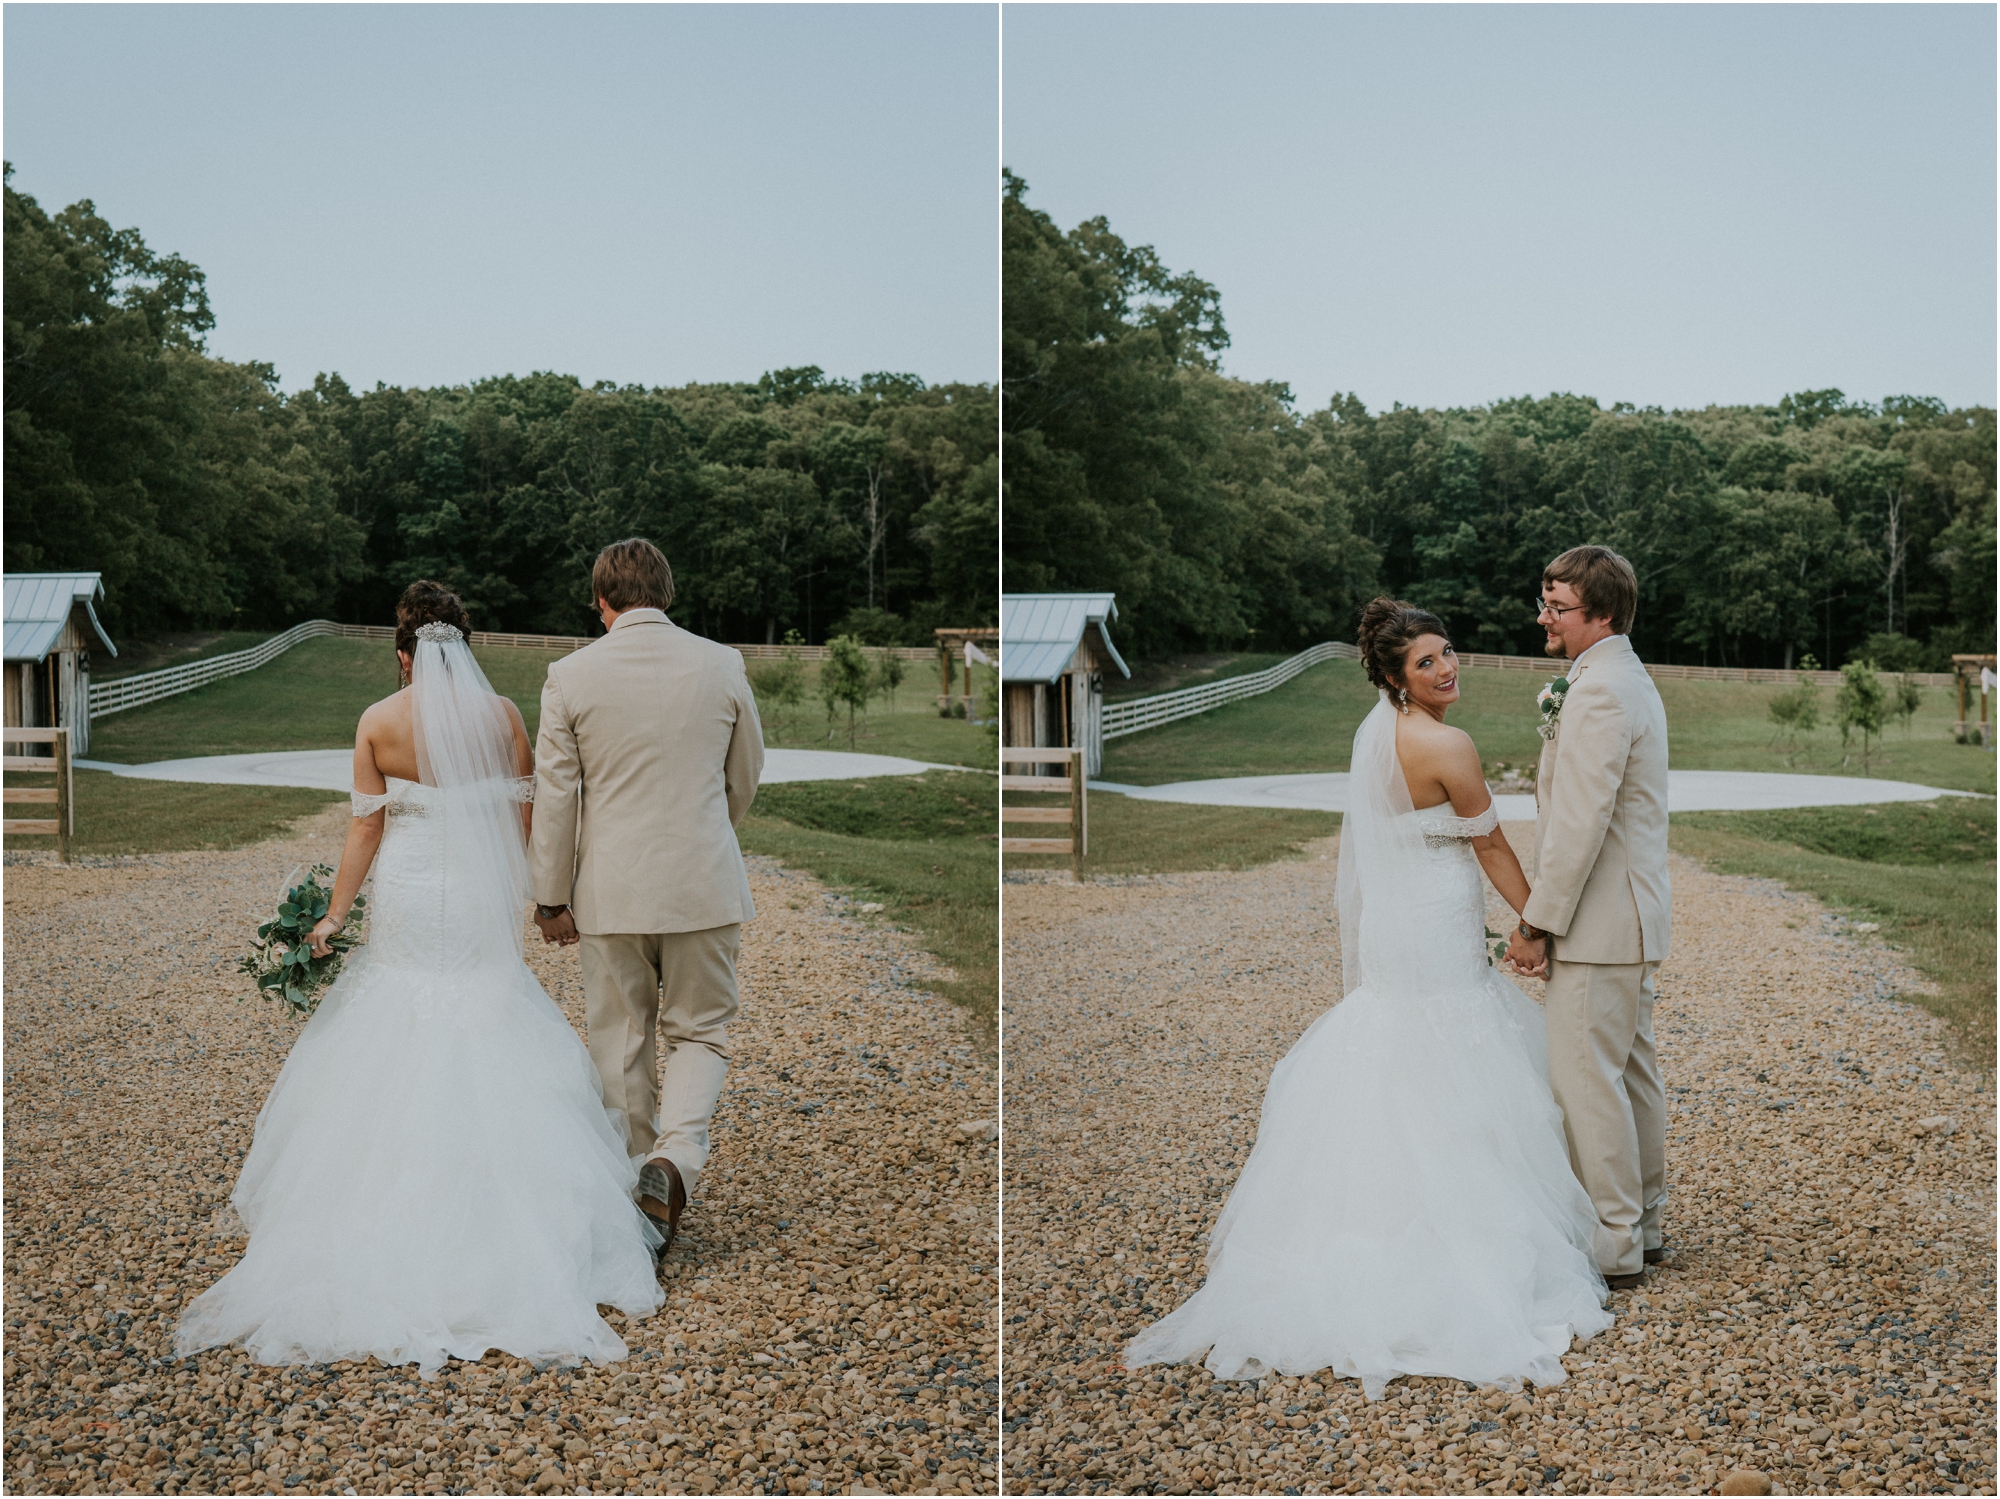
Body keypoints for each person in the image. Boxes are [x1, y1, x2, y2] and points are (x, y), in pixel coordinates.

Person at [1125, 597, 1612, 1400]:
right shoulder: (1447, 743)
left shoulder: (1374, 739)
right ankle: (1456, 1252)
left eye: (1448, 651)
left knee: (1394, 1043)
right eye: (1426, 662)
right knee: (1454, 1047)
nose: (1447, 667)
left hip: (1397, 924)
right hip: (1438, 923)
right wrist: (1536, 927)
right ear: (1395, 676)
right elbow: (1488, 842)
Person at [176, 582, 664, 1379]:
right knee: (487, 1006)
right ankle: (518, 1231)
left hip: (408, 890)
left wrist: (333, 917)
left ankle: (367, 1228)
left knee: (397, 1011)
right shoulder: (502, 716)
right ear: (461, 650)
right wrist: (553, 900)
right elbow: (526, 816)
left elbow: (365, 826)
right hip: (473, 898)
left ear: (404, 655)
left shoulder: (378, 721)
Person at [527, 538, 764, 1257]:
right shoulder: (722, 663)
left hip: (611, 892)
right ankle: (675, 1160)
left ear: (601, 601)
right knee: (699, 1030)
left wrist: (550, 895)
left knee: (620, 1040)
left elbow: (557, 798)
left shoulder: (568, 677)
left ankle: (639, 1200)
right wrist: (708, 833)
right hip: (704, 886)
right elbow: (745, 771)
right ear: (668, 592)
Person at [1505, 546, 1671, 1289]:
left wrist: (1537, 922)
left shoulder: (1601, 691)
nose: (1543, 616)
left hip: (1600, 923)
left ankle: (1613, 1242)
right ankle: (1646, 1220)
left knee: (1587, 1080)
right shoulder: (1619, 676)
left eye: (1557, 605)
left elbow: (1579, 823)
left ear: (1599, 614)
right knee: (1630, 1072)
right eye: (1544, 601)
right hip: (1627, 920)